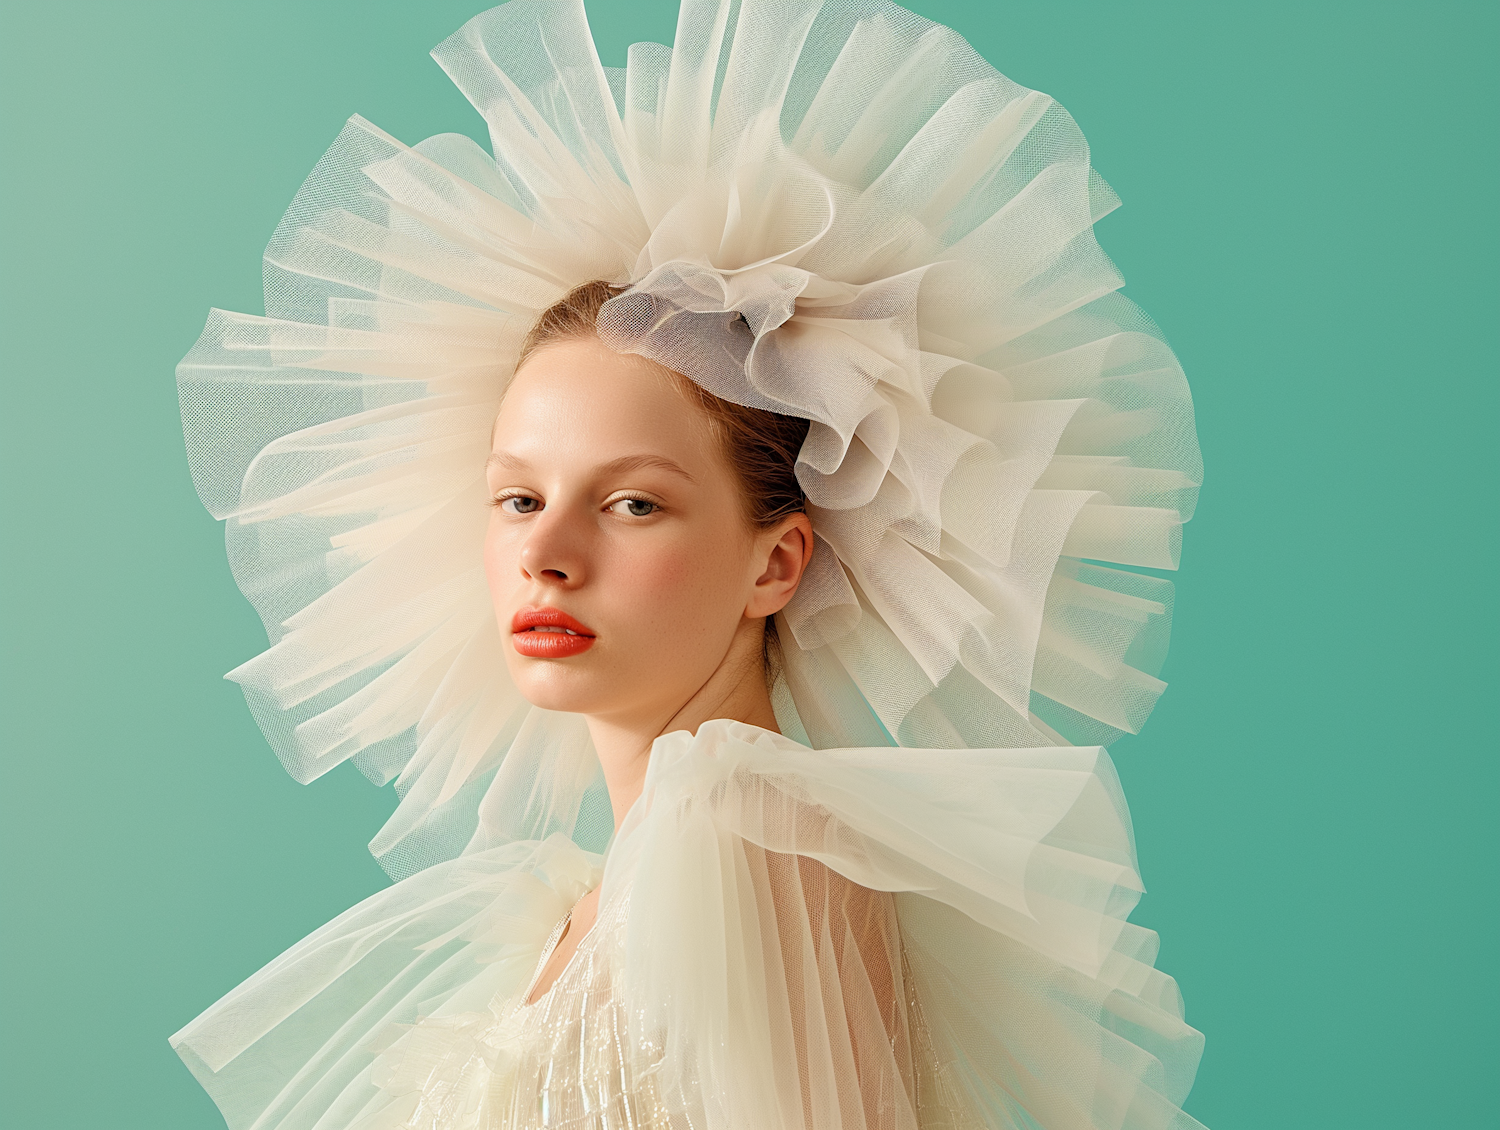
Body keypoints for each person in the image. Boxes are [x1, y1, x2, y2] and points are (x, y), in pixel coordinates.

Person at [169, 1, 1207, 1127]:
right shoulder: (595, 891)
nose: (547, 556)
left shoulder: (750, 848)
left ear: (776, 562)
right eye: (518, 497)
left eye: (631, 502)